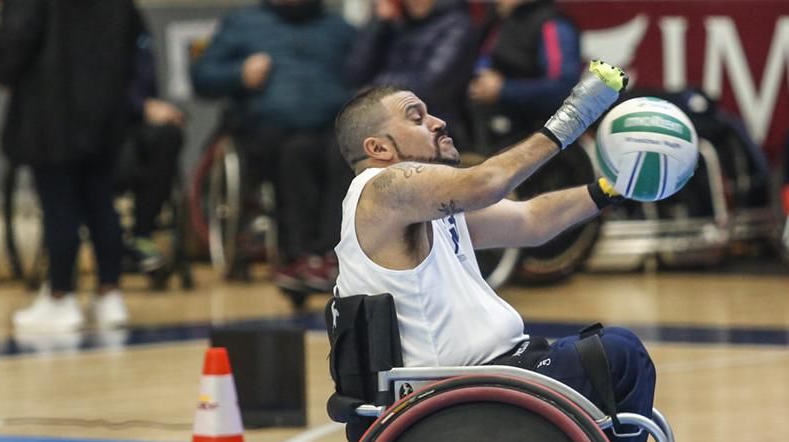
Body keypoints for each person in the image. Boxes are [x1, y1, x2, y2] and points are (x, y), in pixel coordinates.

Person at [331, 64, 704, 442]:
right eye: (416, 117)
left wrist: (611, 187)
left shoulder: (425, 210)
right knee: (617, 356)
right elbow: (486, 182)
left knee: (611, 356)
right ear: (379, 149)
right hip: (452, 398)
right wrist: (572, 118)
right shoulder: (383, 188)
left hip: (496, 376)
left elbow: (530, 221)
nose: (438, 122)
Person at [0, 0, 142, 331]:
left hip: (52, 111)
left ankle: (61, 296)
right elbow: (134, 37)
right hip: (104, 111)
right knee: (102, 204)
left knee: (59, 206)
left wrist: (5, 72)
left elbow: (17, 36)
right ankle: (110, 293)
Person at [191, 0, 355, 291]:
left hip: (328, 129)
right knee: (295, 154)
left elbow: (369, 67)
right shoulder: (242, 24)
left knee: (345, 153)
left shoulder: (339, 30)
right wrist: (238, 74)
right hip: (265, 132)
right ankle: (299, 256)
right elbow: (202, 76)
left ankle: (332, 254)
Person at [346, 0, 477, 149]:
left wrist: (374, 89)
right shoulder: (400, 25)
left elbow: (430, 84)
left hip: (435, 134)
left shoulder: (457, 26)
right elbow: (355, 73)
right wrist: (378, 23)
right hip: (391, 129)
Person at [468, 0, 582, 151]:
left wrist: (503, 90)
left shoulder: (552, 24)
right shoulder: (500, 20)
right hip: (490, 135)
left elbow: (562, 86)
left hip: (536, 145)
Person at [120, 23, 186, 273]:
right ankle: (110, 238)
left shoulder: (134, 23)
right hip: (96, 123)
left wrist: (151, 109)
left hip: (137, 124)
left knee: (168, 137)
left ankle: (142, 233)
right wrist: (140, 106)